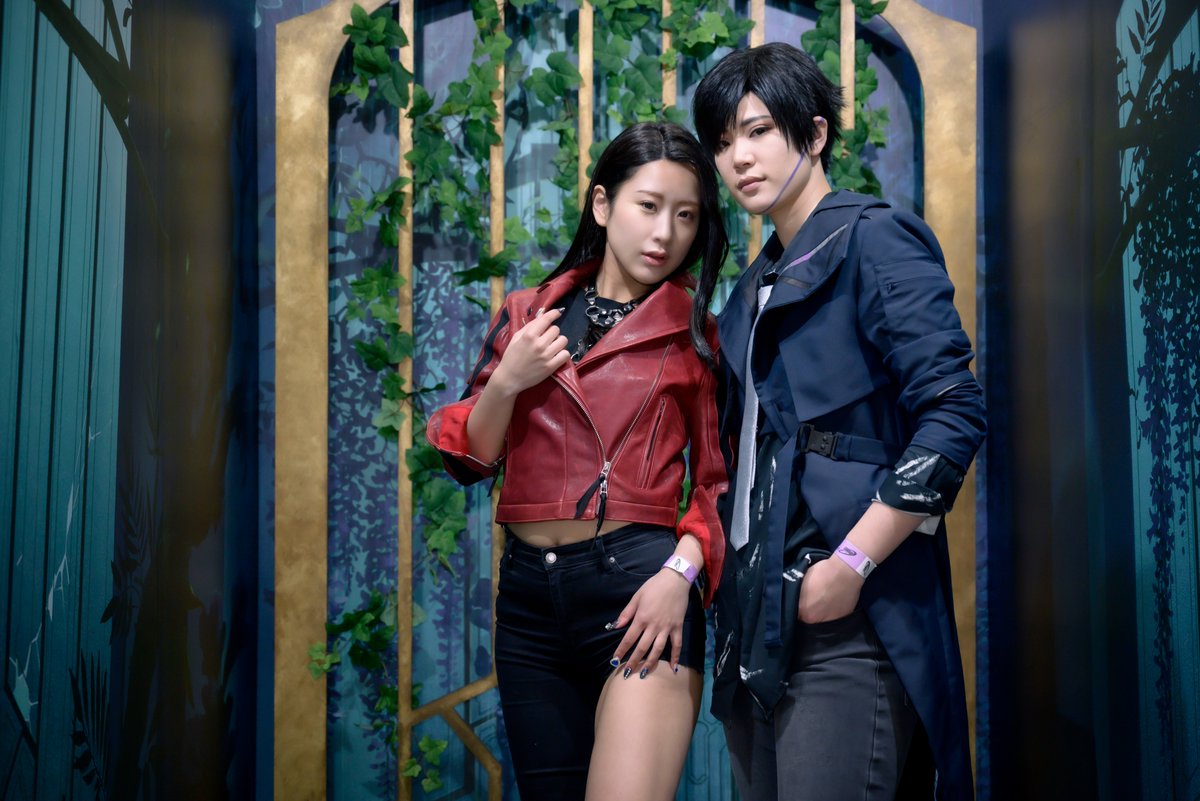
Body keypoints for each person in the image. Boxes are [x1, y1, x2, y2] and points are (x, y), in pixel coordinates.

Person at [691, 42, 986, 801]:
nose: (738, 157)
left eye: (758, 130)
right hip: (756, 622)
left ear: (815, 133)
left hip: (851, 617)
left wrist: (851, 564)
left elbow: (954, 411)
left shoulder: (874, 237)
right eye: (722, 142)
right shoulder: (750, 291)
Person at [426, 122, 729, 801]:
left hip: (641, 591)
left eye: (686, 216)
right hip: (529, 602)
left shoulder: (696, 334)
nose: (665, 232)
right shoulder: (527, 316)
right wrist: (508, 380)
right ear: (602, 204)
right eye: (648, 205)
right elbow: (472, 459)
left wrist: (678, 576)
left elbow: (719, 483)